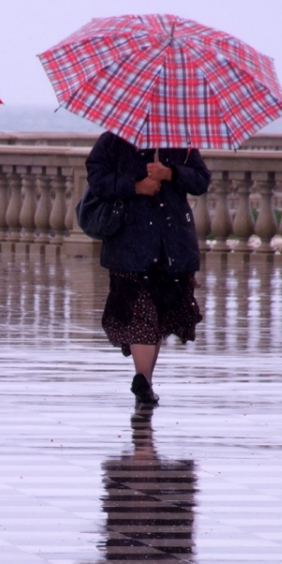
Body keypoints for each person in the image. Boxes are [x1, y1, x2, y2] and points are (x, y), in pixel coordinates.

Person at [85, 132, 211, 405]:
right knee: (141, 313)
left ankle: (145, 380)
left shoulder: (180, 142)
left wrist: (171, 174)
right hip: (129, 244)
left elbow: (201, 180)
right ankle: (144, 379)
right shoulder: (113, 142)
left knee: (157, 313)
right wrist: (136, 186)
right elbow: (97, 180)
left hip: (171, 245)